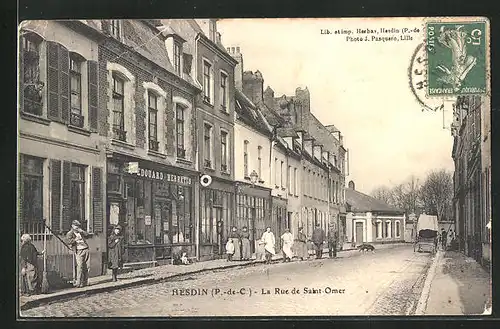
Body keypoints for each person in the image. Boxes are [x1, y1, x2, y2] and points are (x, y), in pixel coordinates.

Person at [66, 220, 92, 287]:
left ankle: (85, 282)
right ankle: (78, 283)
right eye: (76, 226)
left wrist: (82, 231)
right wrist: (75, 240)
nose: (77, 227)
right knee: (80, 266)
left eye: (78, 226)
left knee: (87, 266)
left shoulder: (81, 232)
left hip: (85, 249)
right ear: (72, 226)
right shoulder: (70, 233)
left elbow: (88, 236)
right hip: (78, 251)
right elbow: (68, 241)